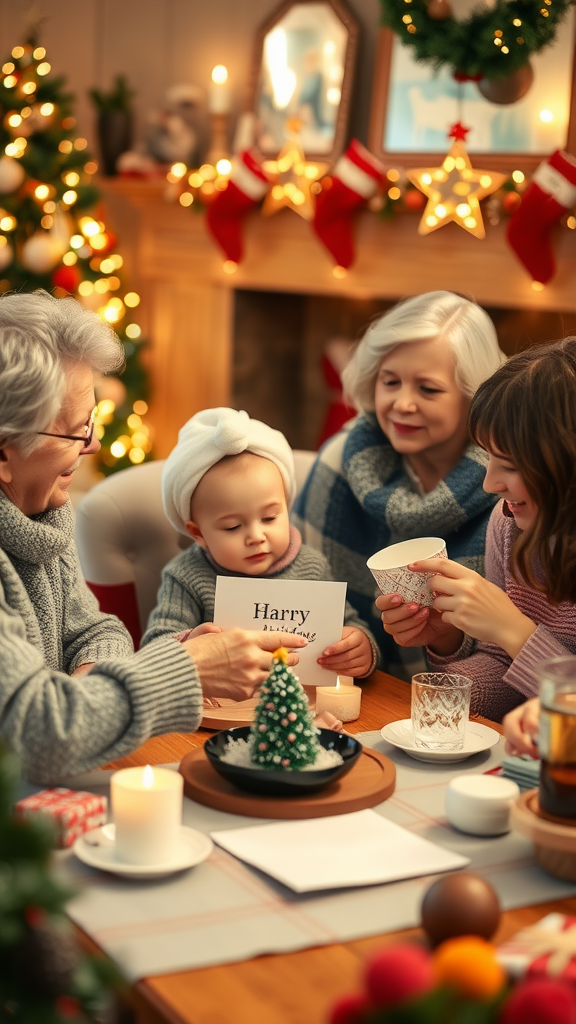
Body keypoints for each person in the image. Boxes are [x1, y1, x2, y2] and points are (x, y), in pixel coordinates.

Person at [0, 292, 305, 783]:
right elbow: (35, 732)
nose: (94, 444)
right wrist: (184, 670)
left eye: (92, 423)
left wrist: (94, 690)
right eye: (78, 432)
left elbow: (98, 632)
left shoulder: (39, 513)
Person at [292, 291, 506, 678]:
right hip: (340, 688)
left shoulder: (506, 489)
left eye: (428, 389)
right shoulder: (339, 462)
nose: (403, 404)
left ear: (474, 396)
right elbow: (294, 583)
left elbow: (512, 655)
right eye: (391, 382)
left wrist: (446, 638)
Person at [378, 338, 576, 721]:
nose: (490, 484)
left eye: (512, 464)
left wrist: (514, 630)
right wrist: (446, 639)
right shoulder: (509, 522)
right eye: (488, 457)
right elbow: (506, 672)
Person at [142, 407, 379, 681]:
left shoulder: (311, 567)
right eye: (233, 526)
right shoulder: (186, 577)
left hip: (299, 707)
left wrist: (359, 647)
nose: (256, 536)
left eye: (269, 518)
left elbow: (346, 623)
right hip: (221, 712)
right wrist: (188, 647)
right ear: (198, 533)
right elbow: (154, 650)